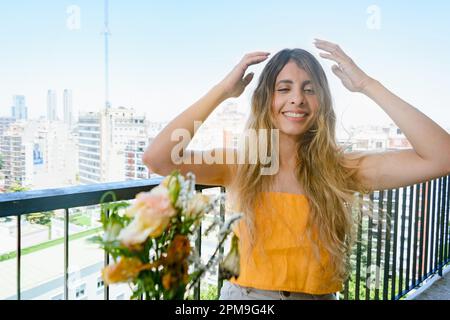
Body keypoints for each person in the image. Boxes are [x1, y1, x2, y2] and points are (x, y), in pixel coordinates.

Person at [143, 39, 450, 300]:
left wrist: (367, 85)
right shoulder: (239, 162)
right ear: (267, 99)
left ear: (322, 101)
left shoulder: (339, 167)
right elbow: (158, 159)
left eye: (309, 89)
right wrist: (223, 90)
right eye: (284, 88)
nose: (297, 99)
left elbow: (442, 157)